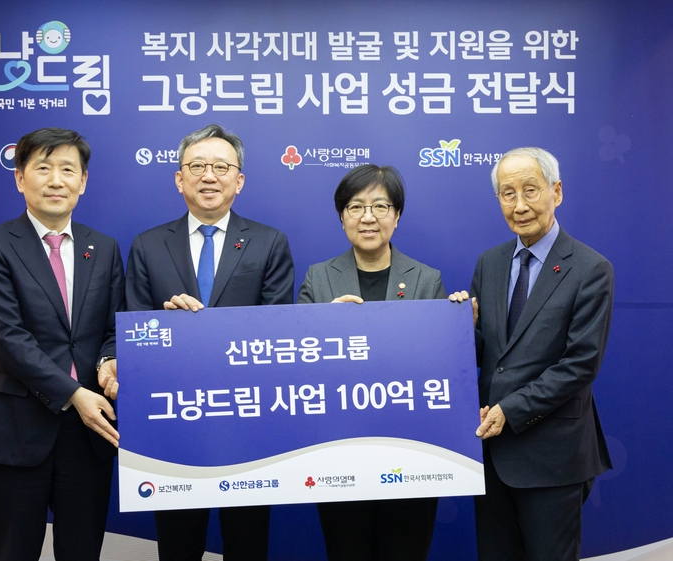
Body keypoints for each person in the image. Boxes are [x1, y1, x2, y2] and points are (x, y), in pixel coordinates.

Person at [126, 123, 295, 561]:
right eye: (197, 166)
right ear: (179, 178)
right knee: (178, 547)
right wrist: (166, 327)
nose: (209, 176)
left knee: (247, 544)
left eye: (221, 167)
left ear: (239, 181)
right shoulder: (147, 246)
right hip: (173, 423)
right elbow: (135, 334)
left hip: (247, 422)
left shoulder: (268, 243)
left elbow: (276, 332)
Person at [0, 128, 125, 561]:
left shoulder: (104, 248)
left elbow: (114, 326)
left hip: (88, 433)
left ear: (83, 182)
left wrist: (109, 359)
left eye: (68, 170)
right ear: (20, 178)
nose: (56, 180)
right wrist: (74, 393)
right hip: (16, 429)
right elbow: (7, 336)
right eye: (43, 168)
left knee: (82, 552)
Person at [449, 147, 614, 560]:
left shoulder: (590, 269)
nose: (519, 205)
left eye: (530, 190)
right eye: (508, 194)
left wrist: (511, 409)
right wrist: (462, 329)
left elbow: (580, 364)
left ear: (556, 191)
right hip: (491, 455)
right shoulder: (489, 263)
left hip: (552, 456)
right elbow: (488, 355)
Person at [297, 164, 443, 561]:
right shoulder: (318, 278)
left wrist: (462, 322)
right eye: (356, 206)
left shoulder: (426, 280)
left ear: (397, 216)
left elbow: (441, 365)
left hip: (410, 452)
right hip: (340, 452)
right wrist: (323, 327)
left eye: (380, 206)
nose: (368, 217)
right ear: (342, 216)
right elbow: (297, 364)